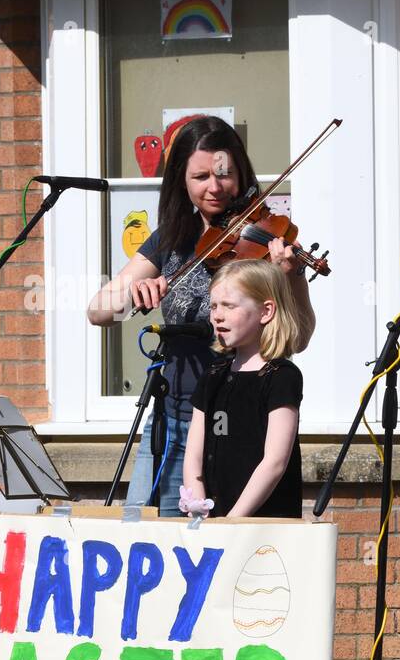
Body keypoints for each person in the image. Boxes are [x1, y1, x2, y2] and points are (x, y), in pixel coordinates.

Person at [88, 116, 314, 515]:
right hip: (175, 419)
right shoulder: (171, 238)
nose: (214, 187)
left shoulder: (266, 239)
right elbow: (98, 311)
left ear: (241, 173)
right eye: (200, 176)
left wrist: (291, 276)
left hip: (245, 424)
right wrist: (132, 295)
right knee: (145, 531)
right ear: (181, 181)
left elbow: (297, 338)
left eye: (224, 174)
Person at [181, 260, 314, 519]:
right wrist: (198, 507)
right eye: (214, 306)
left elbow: (275, 462)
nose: (217, 315)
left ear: (266, 312)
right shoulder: (213, 375)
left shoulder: (281, 376)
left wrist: (233, 521)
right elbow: (193, 455)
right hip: (215, 521)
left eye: (229, 306)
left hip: (263, 526)